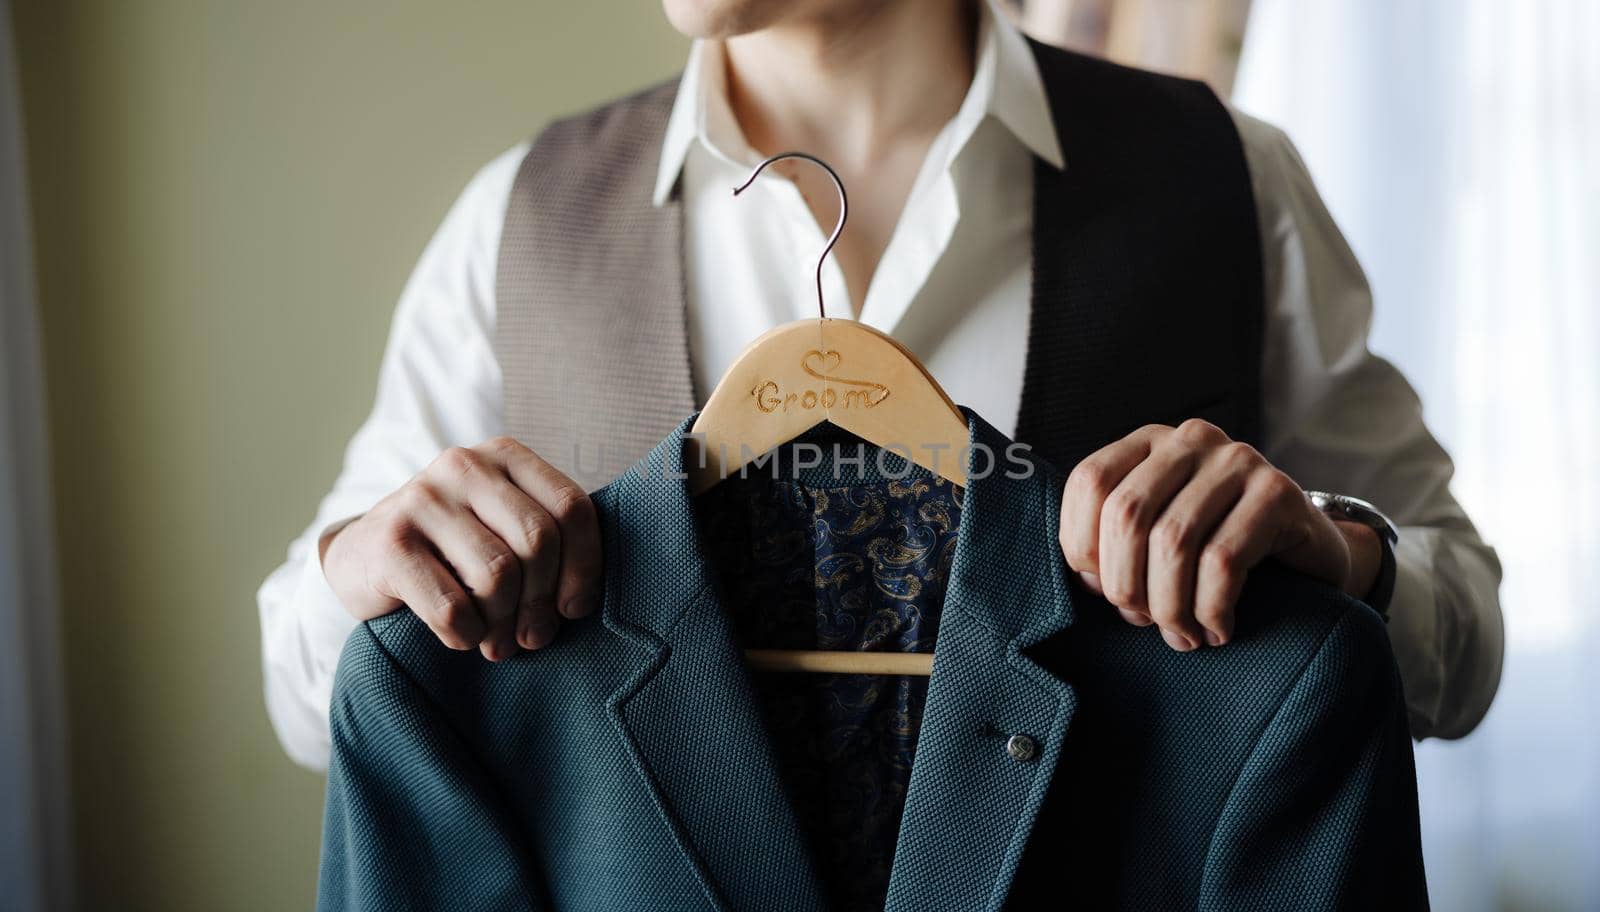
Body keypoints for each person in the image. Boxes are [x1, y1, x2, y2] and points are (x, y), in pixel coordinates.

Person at [258, 0, 1502, 772]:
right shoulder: (519, 223)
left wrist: (1335, 562)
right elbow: (310, 703)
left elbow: (1464, 652)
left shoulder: (1227, 181)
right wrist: (362, 574)